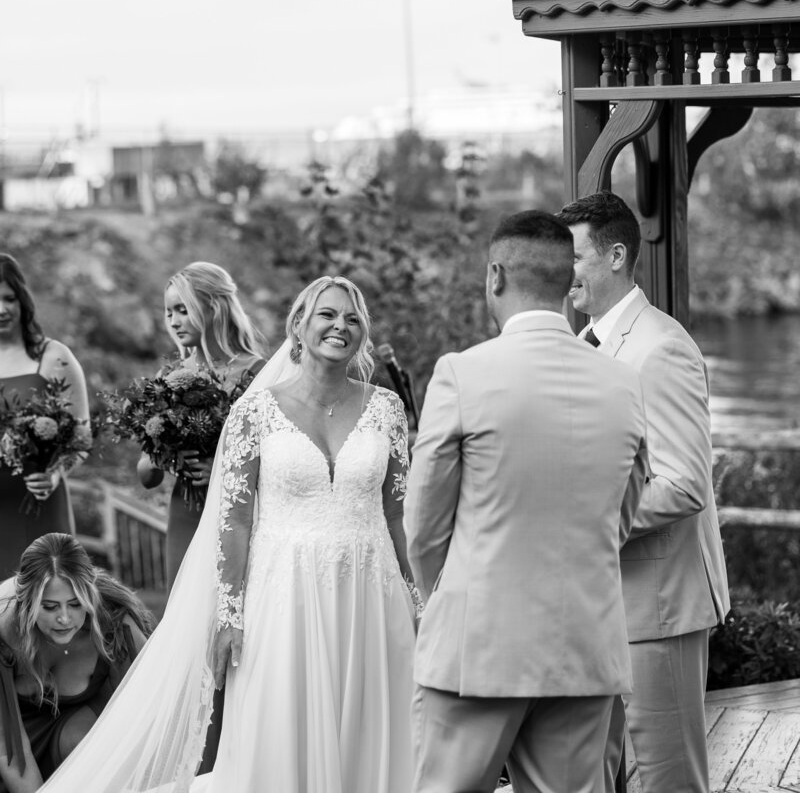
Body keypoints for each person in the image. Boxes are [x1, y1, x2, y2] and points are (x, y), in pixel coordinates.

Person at [30, 275, 418, 793]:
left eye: (352, 318)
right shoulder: (255, 412)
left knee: (373, 720)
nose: (340, 326)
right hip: (284, 592)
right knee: (284, 722)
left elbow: (398, 514)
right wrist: (230, 614)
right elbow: (234, 520)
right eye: (326, 314)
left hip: (373, 591)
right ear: (298, 326)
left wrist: (417, 597)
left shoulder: (387, 408)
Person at [405, 210, 649, 793]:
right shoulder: (623, 382)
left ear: (495, 276)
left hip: (478, 649)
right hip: (585, 648)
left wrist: (446, 598)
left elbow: (423, 526)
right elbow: (622, 516)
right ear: (569, 283)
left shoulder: (462, 374)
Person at [557, 191, 729, 793]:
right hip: (595, 607)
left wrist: (581, 523)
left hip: (658, 603)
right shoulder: (581, 347)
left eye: (573, 256)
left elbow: (684, 484)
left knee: (667, 779)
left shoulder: (663, 348)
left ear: (615, 256)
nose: (562, 272)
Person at [136, 262, 265, 587]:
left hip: (241, 515)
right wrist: (163, 452)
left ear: (214, 308)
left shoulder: (258, 373)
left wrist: (222, 470)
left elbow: (281, 458)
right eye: (169, 312)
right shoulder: (168, 379)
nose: (174, 321)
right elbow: (145, 475)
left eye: (183, 309)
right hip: (185, 513)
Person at [0, 533, 153, 793]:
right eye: (49, 607)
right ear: (27, 603)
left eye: (74, 604)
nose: (64, 618)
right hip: (17, 743)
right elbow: (10, 755)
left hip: (85, 729)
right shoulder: (4, 636)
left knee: (84, 740)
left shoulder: (114, 620)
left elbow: (152, 714)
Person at [0, 257, 90, 580]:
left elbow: (81, 438)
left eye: (8, 298)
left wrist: (53, 474)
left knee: (50, 608)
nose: (1, 309)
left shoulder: (53, 357)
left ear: (22, 299)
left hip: (39, 509)